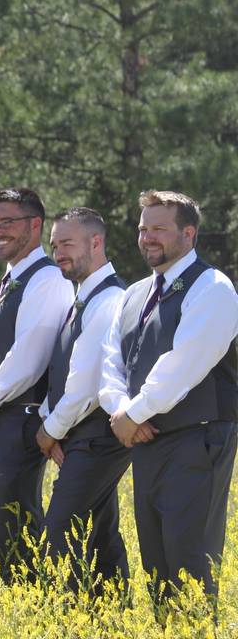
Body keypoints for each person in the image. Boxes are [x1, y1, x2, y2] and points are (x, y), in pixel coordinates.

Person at [99, 190, 238, 604]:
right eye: (143, 228)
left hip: (197, 440)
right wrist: (122, 412)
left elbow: (183, 366)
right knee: (157, 563)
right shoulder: (134, 293)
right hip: (146, 441)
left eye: (159, 228)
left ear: (189, 233)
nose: (147, 237)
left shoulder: (213, 287)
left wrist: (134, 414)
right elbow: (111, 362)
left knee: (189, 560)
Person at [0, 188, 72, 584]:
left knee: (18, 523)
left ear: (35, 224)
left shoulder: (47, 279)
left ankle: (38, 608)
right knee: (2, 521)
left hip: (20, 419)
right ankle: (25, 605)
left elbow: (29, 358)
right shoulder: (11, 278)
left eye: (6, 221)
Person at [34, 207, 129, 594]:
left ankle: (71, 620)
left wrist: (48, 431)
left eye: (67, 243)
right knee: (98, 531)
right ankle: (110, 618)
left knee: (59, 532)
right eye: (54, 245)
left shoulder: (109, 301)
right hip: (80, 437)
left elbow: (86, 386)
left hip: (97, 437)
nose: (58, 252)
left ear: (96, 242)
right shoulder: (81, 299)